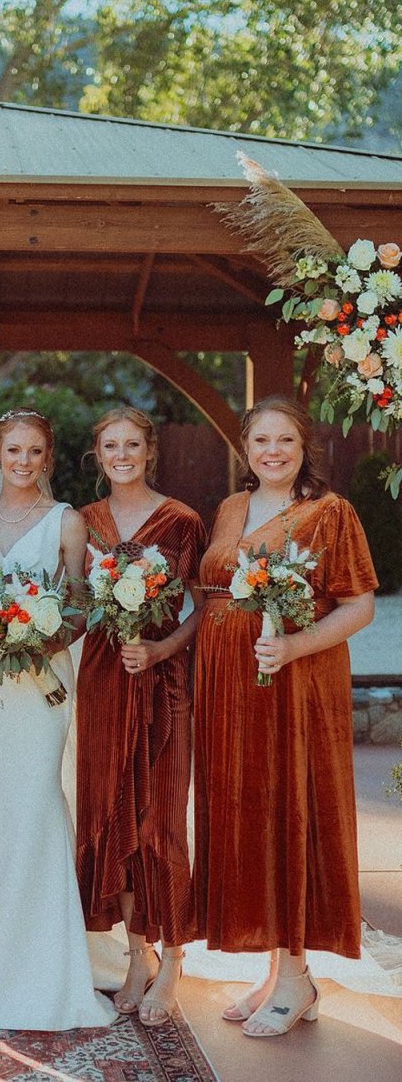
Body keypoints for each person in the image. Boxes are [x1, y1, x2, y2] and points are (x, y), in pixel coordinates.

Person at [193, 395, 377, 1038]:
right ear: (246, 447)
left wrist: (295, 646)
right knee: (251, 813)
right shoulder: (231, 508)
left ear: (304, 448)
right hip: (231, 690)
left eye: (285, 441)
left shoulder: (330, 513)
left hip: (294, 688)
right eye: (261, 440)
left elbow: (359, 606)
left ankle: (298, 974)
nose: (272, 452)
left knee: (289, 810)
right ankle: (278, 973)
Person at [0, 408, 116, 1031]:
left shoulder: (66, 520)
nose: (23, 461)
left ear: (48, 457)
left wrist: (37, 640)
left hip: (43, 682)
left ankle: (50, 963)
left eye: (35, 451)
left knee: (39, 803)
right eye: (13, 450)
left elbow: (80, 603)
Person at [75, 407, 206, 1025]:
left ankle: (173, 960)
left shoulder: (182, 520)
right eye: (111, 446)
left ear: (150, 451)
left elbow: (203, 608)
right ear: (97, 454)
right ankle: (136, 957)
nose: (121, 455)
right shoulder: (84, 521)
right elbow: (73, 602)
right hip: (103, 682)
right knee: (111, 816)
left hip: (162, 684)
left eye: (132, 444)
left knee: (163, 823)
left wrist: (159, 649)